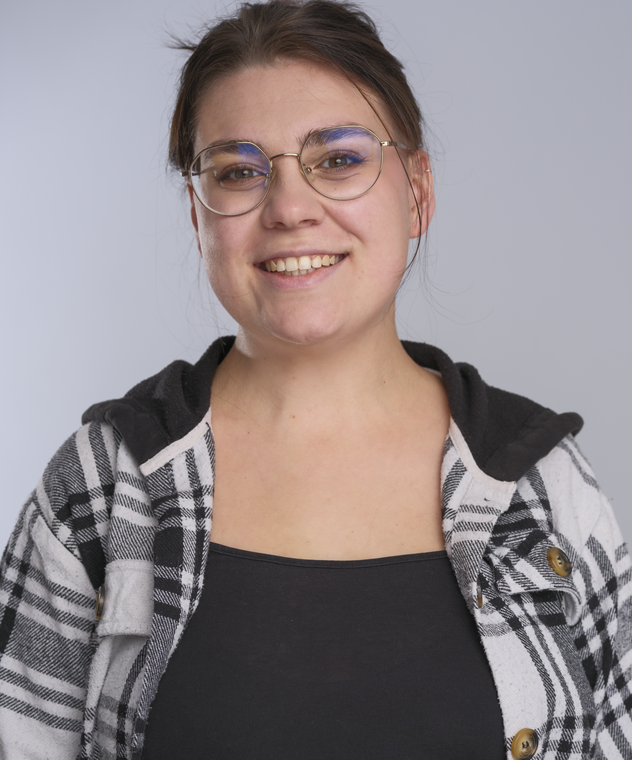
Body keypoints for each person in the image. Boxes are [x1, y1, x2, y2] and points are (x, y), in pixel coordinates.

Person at [0, 1, 630, 758]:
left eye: (338, 159)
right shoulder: (100, 491)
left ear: (418, 191)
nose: (291, 208)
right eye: (239, 172)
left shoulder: (547, 487)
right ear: (199, 217)